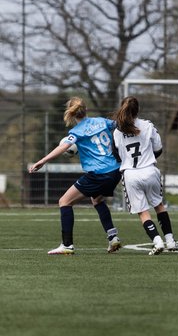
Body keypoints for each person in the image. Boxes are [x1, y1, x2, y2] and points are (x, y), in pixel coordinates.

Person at [29, 97, 122, 254]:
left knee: (64, 201)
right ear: (85, 110)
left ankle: (67, 245)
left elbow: (63, 147)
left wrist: (42, 161)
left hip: (98, 173)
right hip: (115, 171)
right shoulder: (101, 121)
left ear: (71, 114)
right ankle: (113, 237)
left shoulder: (76, 132)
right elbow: (120, 124)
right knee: (97, 199)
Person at [112, 96, 178, 255]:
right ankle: (170, 241)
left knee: (143, 212)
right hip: (150, 170)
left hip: (130, 174)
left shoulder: (117, 131)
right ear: (138, 110)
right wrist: (147, 157)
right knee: (159, 206)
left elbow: (117, 155)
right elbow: (158, 149)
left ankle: (157, 242)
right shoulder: (148, 125)